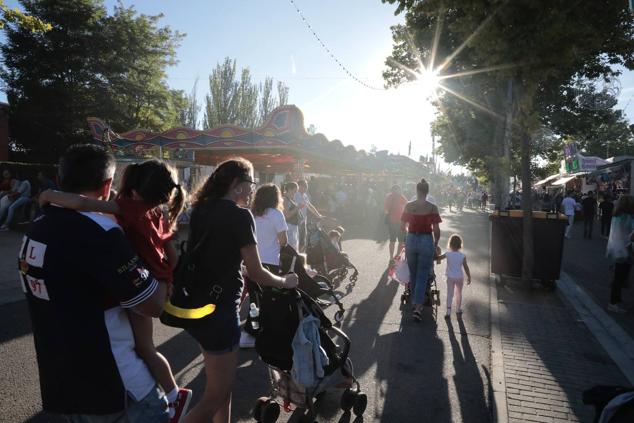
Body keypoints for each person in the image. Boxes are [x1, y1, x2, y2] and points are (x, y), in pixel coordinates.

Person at [20, 144, 170, 422]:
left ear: (60, 178)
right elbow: (153, 304)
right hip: (115, 386)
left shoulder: (38, 222)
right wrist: (163, 272)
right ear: (108, 184)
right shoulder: (101, 231)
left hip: (62, 384)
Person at [182, 158, 298, 423]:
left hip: (197, 304)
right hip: (221, 310)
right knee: (213, 396)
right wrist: (285, 282)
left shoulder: (201, 209)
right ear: (236, 185)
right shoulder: (239, 215)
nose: (252, 191)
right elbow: (256, 272)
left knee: (222, 388)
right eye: (250, 184)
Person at [240, 183, 289, 348]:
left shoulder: (251, 213)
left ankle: (252, 331)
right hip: (270, 262)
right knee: (269, 297)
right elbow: (283, 241)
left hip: (250, 261)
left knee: (254, 298)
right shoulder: (276, 214)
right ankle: (253, 332)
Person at [401, 178, 442, 322]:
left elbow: (402, 227)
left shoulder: (408, 205)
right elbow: (436, 230)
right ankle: (418, 307)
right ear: (427, 192)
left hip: (412, 239)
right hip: (426, 240)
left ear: (417, 191)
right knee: (423, 274)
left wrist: (408, 234)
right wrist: (435, 244)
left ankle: (414, 303)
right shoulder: (432, 207)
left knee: (413, 273)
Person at [605, 195, 634, 314]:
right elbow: (632, 235)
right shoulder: (629, 217)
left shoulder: (616, 216)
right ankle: (613, 303)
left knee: (618, 277)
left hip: (616, 249)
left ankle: (616, 300)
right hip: (626, 250)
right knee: (619, 278)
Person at [437, 234, 471, 318]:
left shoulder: (447, 254)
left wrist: (435, 252)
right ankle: (458, 309)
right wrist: (469, 277)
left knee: (450, 294)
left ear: (450, 243)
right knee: (458, 293)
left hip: (450, 277)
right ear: (460, 245)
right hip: (459, 277)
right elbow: (466, 267)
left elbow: (438, 258)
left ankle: (448, 311)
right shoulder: (462, 256)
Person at [295, 179, 322, 253]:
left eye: (306, 186)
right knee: (297, 240)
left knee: (303, 240)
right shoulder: (295, 195)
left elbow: (310, 206)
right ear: (299, 186)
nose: (306, 188)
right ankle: (297, 256)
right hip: (296, 221)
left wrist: (318, 215)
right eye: (304, 186)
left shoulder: (304, 195)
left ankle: (300, 256)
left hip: (303, 220)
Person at [385, 185, 408, 263]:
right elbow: (407, 206)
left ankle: (391, 257)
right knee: (401, 240)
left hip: (392, 222)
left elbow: (386, 210)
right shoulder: (401, 196)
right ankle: (397, 256)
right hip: (401, 222)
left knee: (392, 240)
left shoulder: (388, 197)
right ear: (399, 190)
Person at [283, 181, 301, 250]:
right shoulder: (285, 199)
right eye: (295, 191)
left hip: (293, 227)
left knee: (294, 248)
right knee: (291, 249)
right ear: (290, 189)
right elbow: (286, 215)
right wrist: (297, 208)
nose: (295, 193)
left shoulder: (290, 199)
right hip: (289, 227)